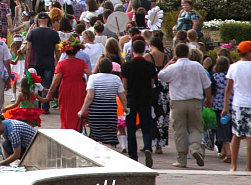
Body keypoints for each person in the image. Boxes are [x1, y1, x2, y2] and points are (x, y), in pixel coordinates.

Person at [157, 42, 212, 168]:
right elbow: (207, 84)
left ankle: (181, 159)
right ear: (188, 53)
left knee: (179, 130)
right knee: (196, 127)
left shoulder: (173, 67)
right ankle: (195, 148)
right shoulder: (197, 66)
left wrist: (168, 64)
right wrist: (209, 98)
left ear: (176, 54)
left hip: (178, 102)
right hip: (195, 101)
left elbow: (160, 76)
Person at [223, 40, 251, 172]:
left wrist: (226, 107)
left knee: (236, 135)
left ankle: (233, 165)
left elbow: (228, 89)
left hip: (238, 105)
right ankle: (248, 167)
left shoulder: (233, 67)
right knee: (250, 136)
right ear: (247, 53)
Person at [121, 38, 157, 167]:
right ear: (144, 50)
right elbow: (152, 84)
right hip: (146, 98)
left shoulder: (126, 66)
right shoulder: (149, 66)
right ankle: (147, 147)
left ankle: (133, 155)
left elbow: (124, 86)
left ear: (133, 50)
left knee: (131, 128)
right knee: (146, 126)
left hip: (131, 98)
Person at [41, 37, 90, 131]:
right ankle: (78, 129)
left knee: (66, 110)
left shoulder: (61, 64)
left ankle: (67, 129)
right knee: (78, 109)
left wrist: (50, 92)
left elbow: (56, 80)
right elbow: (90, 74)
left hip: (66, 89)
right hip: (79, 88)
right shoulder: (81, 62)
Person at [80, 57, 127, 146]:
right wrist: (125, 107)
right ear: (110, 68)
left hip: (96, 111)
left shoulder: (93, 78)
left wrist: (82, 111)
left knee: (96, 134)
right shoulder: (116, 78)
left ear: (99, 68)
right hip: (110, 110)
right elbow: (122, 96)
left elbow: (90, 96)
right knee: (109, 135)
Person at [25, 13, 60, 114]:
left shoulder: (33, 32)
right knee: (48, 84)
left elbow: (28, 47)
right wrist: (58, 60)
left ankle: (37, 105)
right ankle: (45, 107)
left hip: (37, 61)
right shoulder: (53, 33)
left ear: (38, 21)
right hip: (49, 61)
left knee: (37, 84)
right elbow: (57, 49)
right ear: (48, 21)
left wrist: (29, 61)